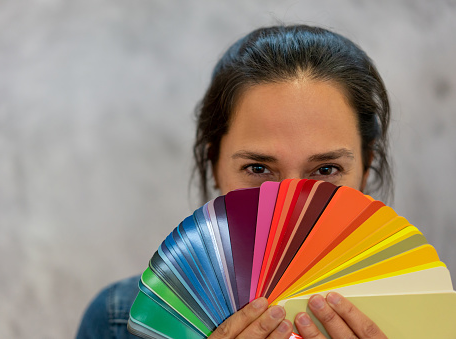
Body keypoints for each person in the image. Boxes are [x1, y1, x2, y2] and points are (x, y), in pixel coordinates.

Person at [76, 24, 393, 339]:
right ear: (214, 166)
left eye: (326, 170)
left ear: (365, 170)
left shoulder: (423, 318)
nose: (292, 208)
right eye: (258, 168)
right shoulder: (118, 322)